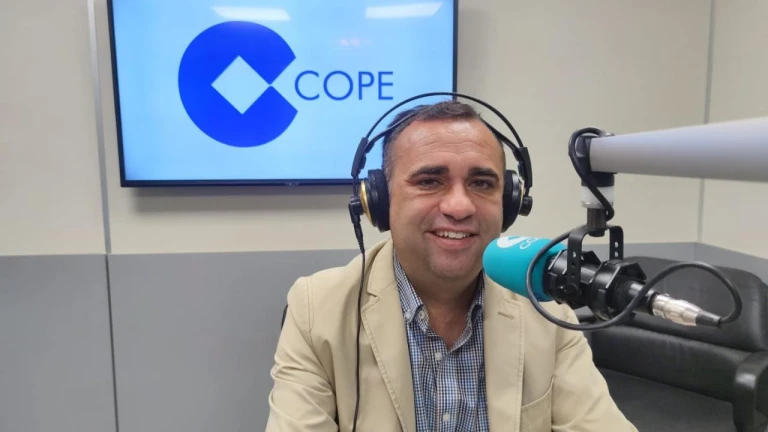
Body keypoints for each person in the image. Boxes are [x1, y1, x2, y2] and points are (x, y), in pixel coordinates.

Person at [265, 100, 636, 432]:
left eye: (481, 183)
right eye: (429, 181)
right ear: (380, 202)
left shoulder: (546, 310)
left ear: (510, 202)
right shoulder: (316, 310)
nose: (459, 207)